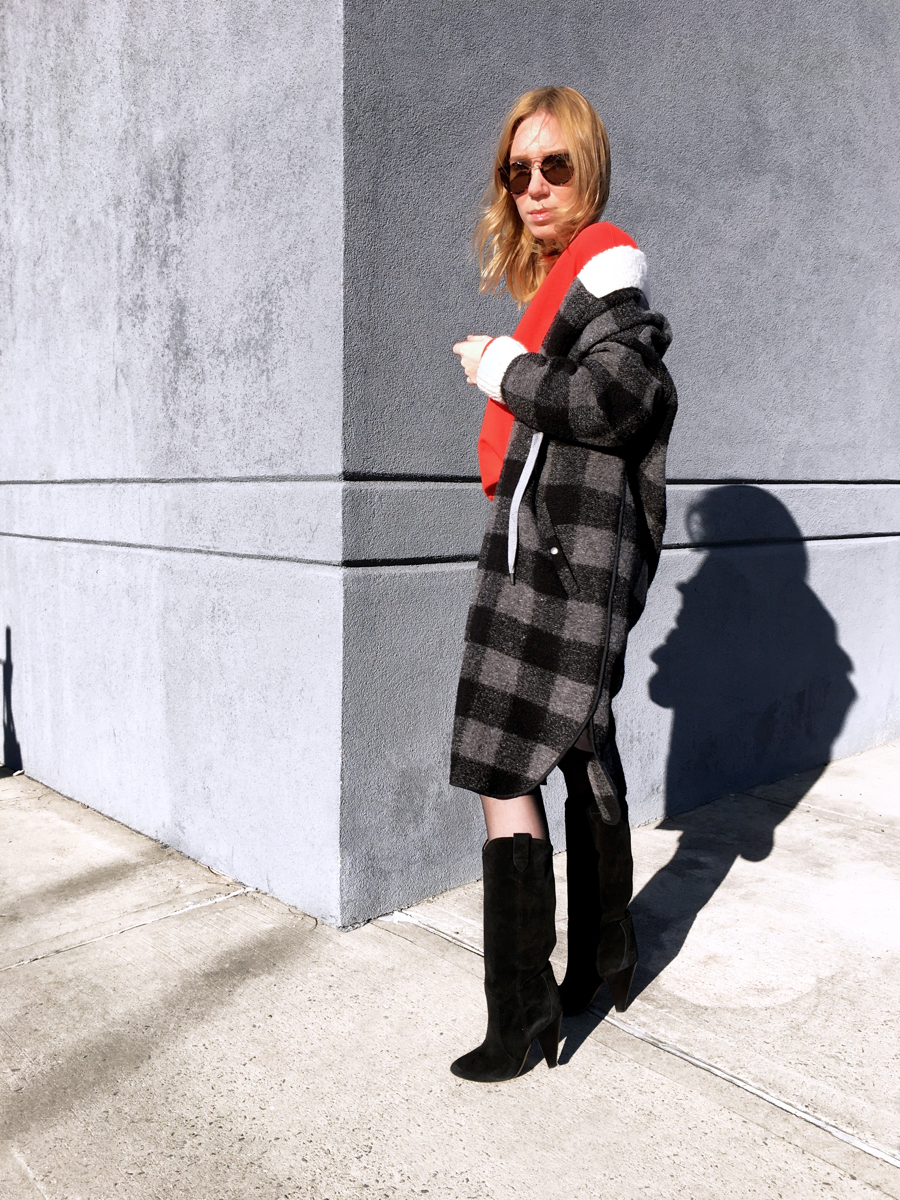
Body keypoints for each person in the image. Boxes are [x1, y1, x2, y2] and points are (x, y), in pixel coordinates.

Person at [449, 86, 678, 1082]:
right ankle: (602, 962)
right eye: (517, 171)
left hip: (560, 577)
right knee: (581, 754)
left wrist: (503, 369)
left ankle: (522, 1017)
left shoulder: (608, 286)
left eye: (555, 167)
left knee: (503, 771)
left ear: (589, 170)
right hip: (552, 567)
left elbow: (617, 400)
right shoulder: (562, 296)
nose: (534, 187)